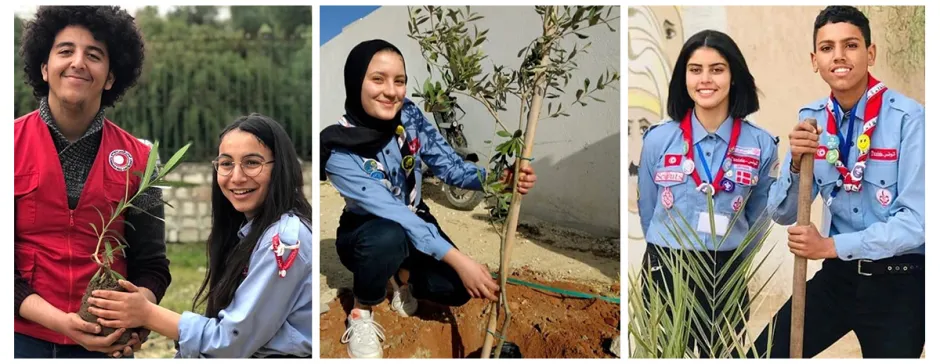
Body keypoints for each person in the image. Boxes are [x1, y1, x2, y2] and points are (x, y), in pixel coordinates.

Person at [320, 39, 537, 359]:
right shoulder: (338, 149)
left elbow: (448, 166)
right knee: (388, 236)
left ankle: (401, 279)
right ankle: (362, 311)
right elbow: (395, 213)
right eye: (377, 79)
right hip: (367, 230)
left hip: (413, 215)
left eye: (399, 80)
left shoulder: (408, 116)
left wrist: (496, 181)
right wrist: (461, 260)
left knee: (456, 288)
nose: (391, 91)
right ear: (355, 82)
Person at [755, 6, 924, 358]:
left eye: (851, 45)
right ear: (815, 60)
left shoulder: (909, 119)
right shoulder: (812, 120)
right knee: (764, 354)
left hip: (899, 282)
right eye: (828, 48)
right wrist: (797, 165)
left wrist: (828, 247)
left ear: (870, 53)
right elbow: (782, 214)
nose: (839, 56)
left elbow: (917, 223)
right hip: (839, 280)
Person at [86, 114, 313, 358]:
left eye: (252, 163)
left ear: (281, 167)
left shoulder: (284, 241)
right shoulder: (247, 233)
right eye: (226, 164)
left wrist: (147, 314)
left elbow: (229, 342)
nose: (236, 177)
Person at [14, 6, 170, 358]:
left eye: (94, 54)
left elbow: (152, 265)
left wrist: (138, 312)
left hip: (107, 342)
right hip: (20, 339)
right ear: (44, 67)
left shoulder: (142, 161)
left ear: (111, 76)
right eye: (65, 50)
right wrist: (61, 322)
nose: (78, 62)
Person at [636, 29, 779, 357]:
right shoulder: (659, 139)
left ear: (734, 76)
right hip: (666, 268)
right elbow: (649, 207)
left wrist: (735, 260)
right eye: (695, 69)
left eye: (717, 69)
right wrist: (667, 246)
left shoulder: (760, 144)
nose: (705, 79)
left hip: (725, 272)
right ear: (683, 77)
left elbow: (760, 215)